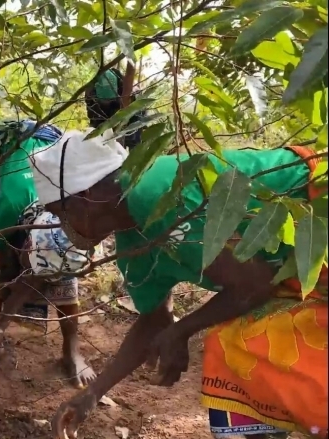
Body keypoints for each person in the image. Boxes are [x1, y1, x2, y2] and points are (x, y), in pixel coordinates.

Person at [27, 129, 328, 439]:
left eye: (61, 214)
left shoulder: (155, 192)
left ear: (85, 197)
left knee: (236, 346)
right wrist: (93, 393)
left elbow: (253, 284)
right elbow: (154, 319)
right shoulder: (133, 237)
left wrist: (181, 331)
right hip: (298, 268)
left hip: (320, 216)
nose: (65, 227)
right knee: (239, 350)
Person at [0, 119, 98, 387]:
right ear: (26, 242)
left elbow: (42, 270)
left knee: (60, 269)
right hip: (17, 176)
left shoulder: (81, 207)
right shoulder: (5, 209)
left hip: (52, 206)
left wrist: (4, 323)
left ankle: (71, 352)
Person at [84, 67, 145, 149]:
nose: (107, 102)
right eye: (105, 101)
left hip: (131, 112)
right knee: (98, 139)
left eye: (109, 100)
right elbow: (93, 119)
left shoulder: (130, 93)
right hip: (103, 113)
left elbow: (134, 119)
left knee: (132, 139)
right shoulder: (90, 95)